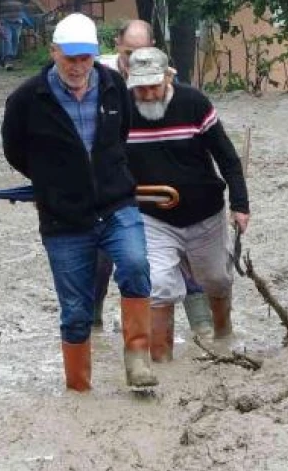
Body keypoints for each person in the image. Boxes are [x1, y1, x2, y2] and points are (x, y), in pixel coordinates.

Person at [1, 13, 158, 392]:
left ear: (95, 55)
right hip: (63, 218)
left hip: (116, 203)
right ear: (54, 52)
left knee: (136, 265)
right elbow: (15, 152)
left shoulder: (113, 87)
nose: (77, 66)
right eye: (69, 58)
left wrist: (106, 174)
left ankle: (137, 358)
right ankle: (79, 391)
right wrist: (53, 182)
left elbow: (121, 136)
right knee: (75, 312)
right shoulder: (27, 99)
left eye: (84, 58)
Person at [124, 46, 250, 361]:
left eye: (154, 85)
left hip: (204, 213)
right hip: (153, 217)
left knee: (216, 279)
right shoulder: (121, 109)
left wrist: (240, 204)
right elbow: (106, 161)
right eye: (141, 87)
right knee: (158, 285)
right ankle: (162, 364)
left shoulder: (193, 103)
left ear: (169, 77)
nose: (149, 93)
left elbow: (227, 157)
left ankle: (223, 337)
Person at [92, 20, 215, 340]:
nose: (135, 59)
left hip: (158, 182)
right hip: (113, 181)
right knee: (101, 256)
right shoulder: (97, 76)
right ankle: (93, 326)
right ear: (117, 44)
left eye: (142, 52)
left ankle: (204, 328)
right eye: (129, 52)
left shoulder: (165, 76)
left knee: (184, 250)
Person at [0, 0, 24, 69]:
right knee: (7, 39)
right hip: (5, 19)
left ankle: (12, 58)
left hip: (17, 19)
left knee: (15, 40)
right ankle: (8, 60)